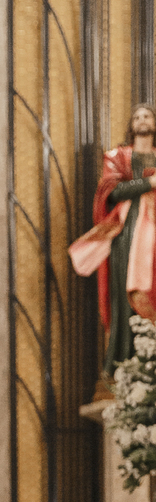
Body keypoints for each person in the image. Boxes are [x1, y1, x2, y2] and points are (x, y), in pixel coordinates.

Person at [69, 103, 156, 377]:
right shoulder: (118, 157)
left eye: (147, 116)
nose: (142, 120)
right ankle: (123, 363)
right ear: (131, 126)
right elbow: (111, 192)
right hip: (127, 233)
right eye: (137, 117)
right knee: (125, 297)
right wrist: (149, 184)